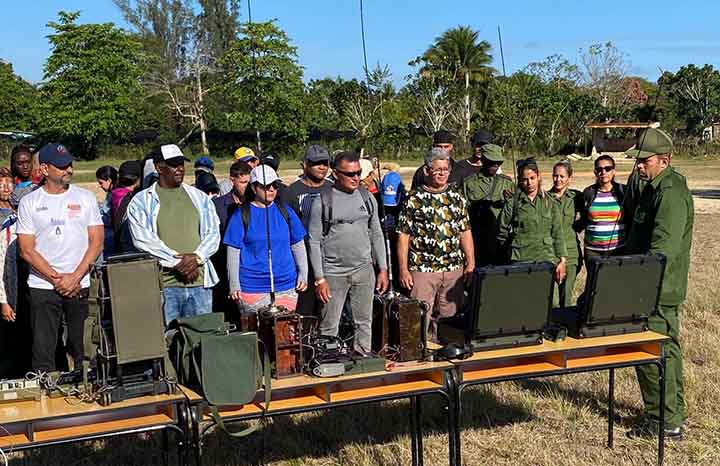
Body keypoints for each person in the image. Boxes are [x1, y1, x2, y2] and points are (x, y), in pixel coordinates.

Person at [623, 128, 693, 440]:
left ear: (664, 160)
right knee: (664, 351)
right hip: (649, 287)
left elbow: (662, 252)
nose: (639, 166)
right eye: (637, 161)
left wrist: (636, 286)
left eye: (645, 161)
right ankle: (672, 414)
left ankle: (662, 420)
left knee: (652, 352)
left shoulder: (670, 194)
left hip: (656, 290)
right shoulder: (654, 188)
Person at [16, 143, 104, 372]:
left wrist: (74, 277)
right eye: (62, 166)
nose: (69, 170)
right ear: (45, 169)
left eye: (70, 165)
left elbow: (96, 241)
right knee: (43, 350)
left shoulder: (85, 198)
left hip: (80, 284)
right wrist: (56, 279)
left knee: (84, 349)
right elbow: (26, 249)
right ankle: (45, 390)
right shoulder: (29, 202)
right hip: (43, 286)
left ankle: (87, 387)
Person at [127, 144, 220, 323]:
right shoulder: (141, 201)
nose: (180, 169)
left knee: (203, 335)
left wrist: (197, 258)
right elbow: (143, 240)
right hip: (165, 285)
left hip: (200, 282)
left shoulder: (199, 197)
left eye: (181, 164)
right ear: (159, 167)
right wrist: (177, 263)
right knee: (167, 336)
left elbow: (213, 233)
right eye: (173, 164)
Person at [307, 151, 389, 354]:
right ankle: (328, 359)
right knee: (329, 324)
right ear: (336, 174)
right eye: (350, 174)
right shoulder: (322, 201)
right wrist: (319, 279)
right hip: (333, 273)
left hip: (364, 270)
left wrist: (383, 268)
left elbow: (377, 233)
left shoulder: (367, 197)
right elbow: (314, 241)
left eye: (359, 173)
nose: (356, 178)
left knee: (364, 321)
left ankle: (363, 357)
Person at [397, 148, 474, 341]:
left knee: (449, 319)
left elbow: (465, 231)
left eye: (445, 169)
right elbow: (403, 236)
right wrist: (403, 270)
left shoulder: (457, 197)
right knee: (419, 318)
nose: (442, 173)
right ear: (427, 171)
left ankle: (445, 350)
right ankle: (420, 351)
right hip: (423, 269)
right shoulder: (414, 198)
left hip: (453, 270)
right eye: (437, 169)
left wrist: (470, 263)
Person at [224, 165, 308, 313]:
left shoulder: (286, 211)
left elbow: (297, 244)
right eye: (266, 186)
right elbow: (233, 251)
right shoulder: (241, 215)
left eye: (275, 185)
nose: (271, 189)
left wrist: (303, 273)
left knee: (285, 327)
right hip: (251, 287)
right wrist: (234, 284)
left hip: (286, 285)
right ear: (254, 188)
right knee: (257, 327)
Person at [280, 145, 333, 316]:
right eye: (317, 163)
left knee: (329, 308)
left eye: (325, 163)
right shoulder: (291, 192)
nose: (322, 167)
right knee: (305, 310)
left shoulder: (334, 188)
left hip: (331, 259)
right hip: (304, 260)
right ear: (305, 165)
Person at [497, 159, 567, 282]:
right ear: (520, 180)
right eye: (525, 179)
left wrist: (562, 260)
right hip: (521, 259)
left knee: (548, 293)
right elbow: (501, 232)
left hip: (546, 258)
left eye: (532, 178)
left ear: (538, 177)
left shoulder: (549, 202)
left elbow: (557, 233)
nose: (529, 182)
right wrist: (509, 251)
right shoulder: (513, 203)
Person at [462, 144, 515, 266]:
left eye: (498, 163)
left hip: (501, 238)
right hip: (478, 238)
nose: (495, 165)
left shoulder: (507, 183)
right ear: (483, 160)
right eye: (492, 162)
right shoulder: (469, 183)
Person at [211, 160, 251, 317]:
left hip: (249, 268)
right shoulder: (217, 206)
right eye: (243, 182)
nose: (246, 186)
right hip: (223, 267)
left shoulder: (254, 204)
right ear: (232, 180)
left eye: (249, 182)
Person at [577, 155, 626, 261]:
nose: (603, 172)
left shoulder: (623, 191)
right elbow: (583, 217)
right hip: (593, 251)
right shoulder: (588, 192)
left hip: (617, 249)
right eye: (599, 169)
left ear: (614, 171)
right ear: (595, 172)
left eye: (607, 169)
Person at [0, 168, 24, 378]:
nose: (6, 187)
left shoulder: (21, 211)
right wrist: (3, 300)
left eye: (9, 183)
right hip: (7, 286)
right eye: (1, 184)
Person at [549, 160, 582, 306]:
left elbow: (587, 216)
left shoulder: (576, 197)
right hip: (551, 252)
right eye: (555, 176)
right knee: (551, 299)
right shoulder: (545, 198)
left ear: (569, 178)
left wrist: (575, 228)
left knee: (566, 297)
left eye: (562, 176)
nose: (558, 179)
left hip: (571, 253)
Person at [111, 160, 144, 253]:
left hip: (118, 243)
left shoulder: (115, 194)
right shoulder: (133, 198)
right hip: (130, 248)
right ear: (139, 178)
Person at [96, 165, 118, 258]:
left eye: (101, 183)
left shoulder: (114, 195)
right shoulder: (112, 193)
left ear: (109, 180)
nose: (100, 186)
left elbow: (108, 218)